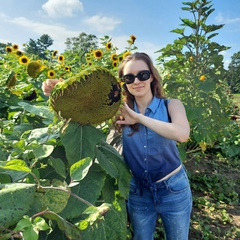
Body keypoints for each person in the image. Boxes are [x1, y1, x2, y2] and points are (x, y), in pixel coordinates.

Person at [42, 52, 192, 240]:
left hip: (172, 188)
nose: (137, 81)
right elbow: (85, 105)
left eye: (143, 75)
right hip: (139, 191)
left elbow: (182, 134)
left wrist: (138, 118)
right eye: (129, 77)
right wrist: (59, 89)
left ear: (152, 76)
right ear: (124, 83)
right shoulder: (117, 110)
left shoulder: (171, 105)